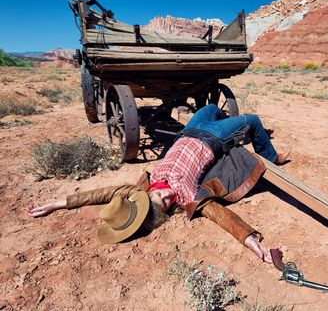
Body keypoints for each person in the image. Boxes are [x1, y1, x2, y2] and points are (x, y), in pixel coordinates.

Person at [26, 104, 289, 264]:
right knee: (253, 120)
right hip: (212, 138)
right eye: (167, 203)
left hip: (188, 132)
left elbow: (102, 194)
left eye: (159, 197)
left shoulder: (139, 189)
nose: (167, 196)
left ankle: (224, 118)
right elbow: (219, 215)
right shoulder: (186, 197)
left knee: (209, 109)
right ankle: (271, 155)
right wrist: (252, 241)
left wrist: (57, 204)